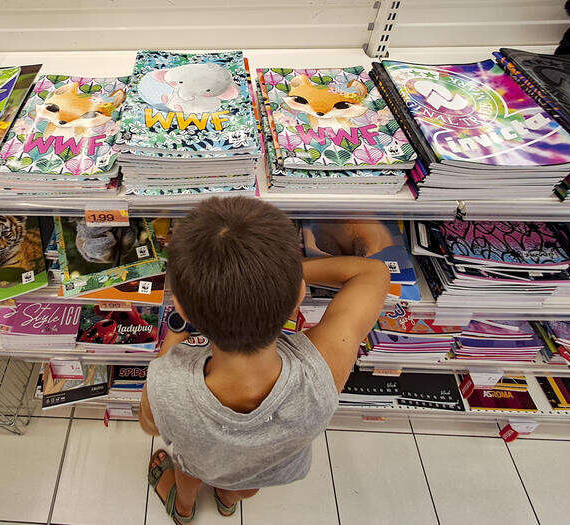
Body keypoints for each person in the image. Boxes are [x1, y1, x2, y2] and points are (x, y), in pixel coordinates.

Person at [140, 196, 389, 524]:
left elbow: (148, 424)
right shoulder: (326, 364)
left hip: (202, 462)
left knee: (188, 473)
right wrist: (274, 274)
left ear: (184, 310)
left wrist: (175, 333)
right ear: (298, 297)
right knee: (244, 487)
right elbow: (373, 272)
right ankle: (228, 502)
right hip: (265, 472)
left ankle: (184, 509)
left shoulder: (166, 379)